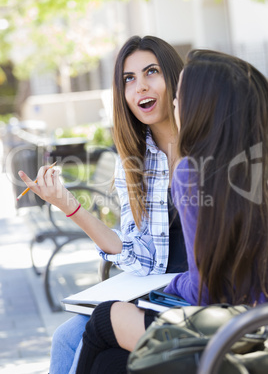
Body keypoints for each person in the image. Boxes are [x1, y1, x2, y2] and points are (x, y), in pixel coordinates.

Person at [75, 49, 268, 373]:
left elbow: (207, 289)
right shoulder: (246, 162)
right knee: (106, 355)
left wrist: (171, 286)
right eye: (129, 79)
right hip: (247, 316)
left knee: (103, 322)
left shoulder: (193, 172)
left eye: (180, 96)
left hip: (232, 325)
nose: (141, 88)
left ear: (203, 105)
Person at [18, 35, 187, 373]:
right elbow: (140, 256)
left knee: (101, 357)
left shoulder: (211, 147)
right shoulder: (136, 163)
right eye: (129, 79)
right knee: (66, 336)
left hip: (198, 296)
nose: (140, 87)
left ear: (175, 80)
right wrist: (69, 206)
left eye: (151, 72)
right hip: (157, 292)